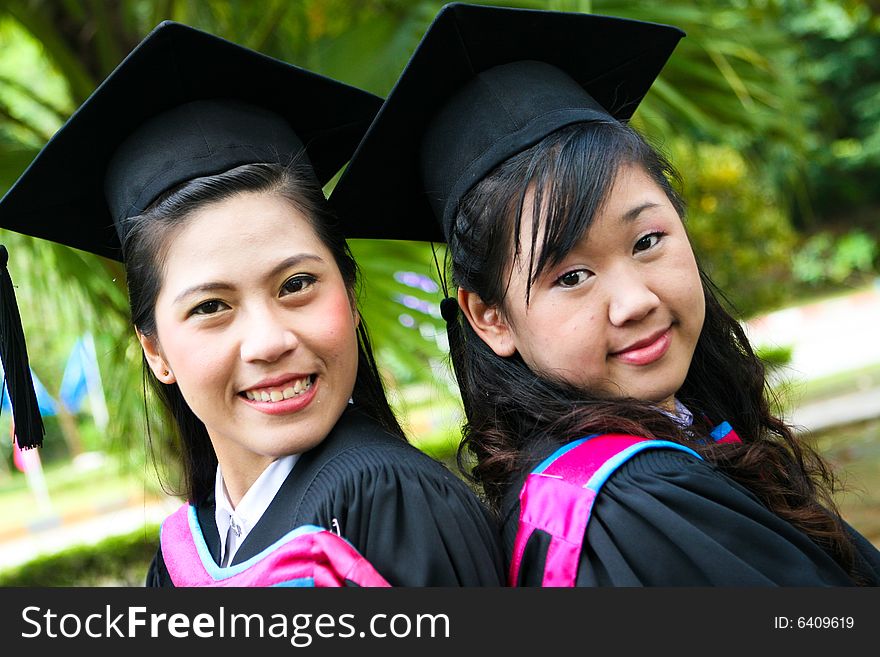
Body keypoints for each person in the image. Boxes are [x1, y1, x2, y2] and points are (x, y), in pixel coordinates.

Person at [331, 3, 880, 585]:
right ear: (491, 318)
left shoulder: (654, 449)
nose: (635, 300)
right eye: (571, 277)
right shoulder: (636, 503)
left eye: (647, 240)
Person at [0, 21, 504, 587]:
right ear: (155, 349)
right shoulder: (189, 550)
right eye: (211, 306)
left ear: (350, 292)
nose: (269, 341)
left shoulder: (387, 501)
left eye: (295, 285)